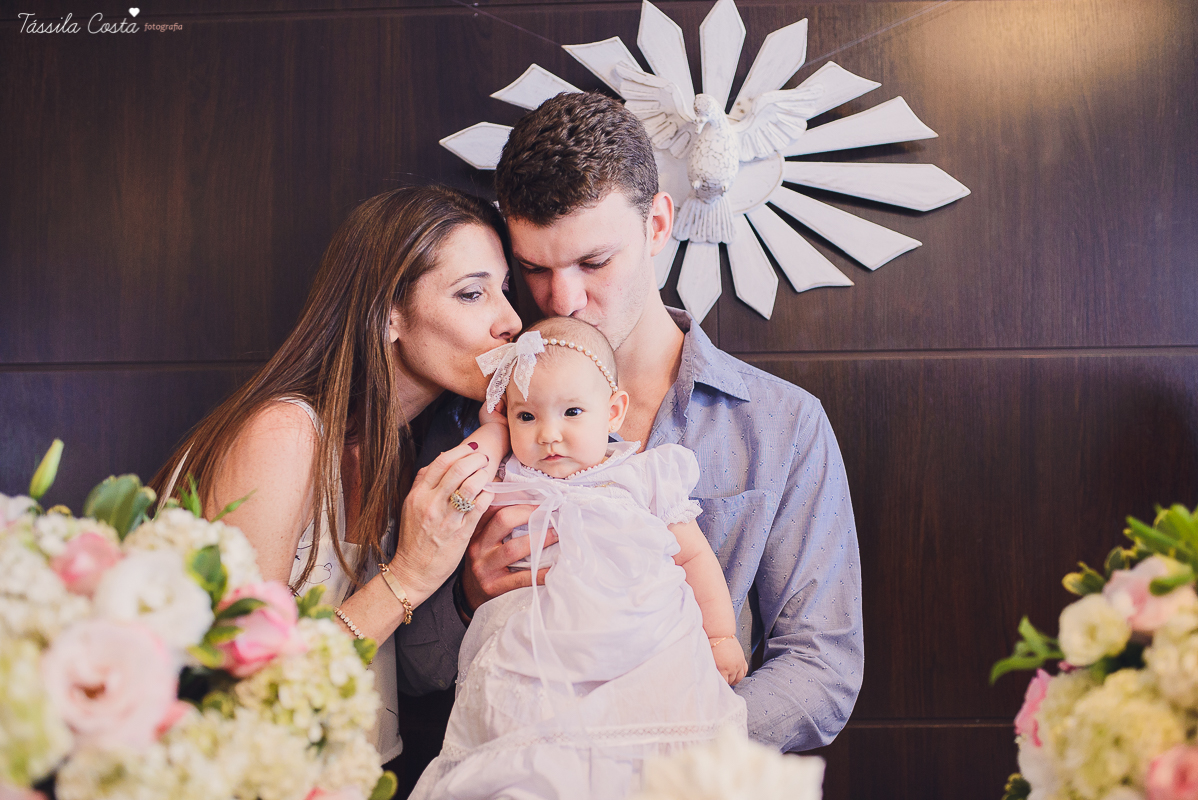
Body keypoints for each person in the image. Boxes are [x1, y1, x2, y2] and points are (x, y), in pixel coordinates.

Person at [396, 92, 864, 754]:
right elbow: (412, 672)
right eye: (534, 269)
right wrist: (469, 598)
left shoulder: (783, 424)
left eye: (593, 262)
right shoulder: (477, 421)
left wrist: (655, 758)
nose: (563, 300)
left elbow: (823, 672)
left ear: (657, 225)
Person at [150, 185, 520, 764]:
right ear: (387, 314)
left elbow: (393, 679)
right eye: (472, 294)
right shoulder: (285, 437)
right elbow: (241, 689)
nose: (511, 321)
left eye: (505, 289)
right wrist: (412, 576)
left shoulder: (399, 452)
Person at [409, 316, 747, 799]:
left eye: (571, 412)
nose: (548, 434)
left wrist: (719, 634)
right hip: (530, 655)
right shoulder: (513, 477)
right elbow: (473, 463)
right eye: (527, 417)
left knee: (644, 755)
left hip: (638, 648)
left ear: (613, 412)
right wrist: (496, 430)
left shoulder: (641, 478)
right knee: (523, 755)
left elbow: (693, 556)